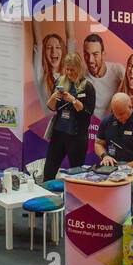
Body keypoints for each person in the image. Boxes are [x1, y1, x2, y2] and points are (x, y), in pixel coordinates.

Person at [42, 52, 96, 183]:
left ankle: (75, 201)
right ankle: (45, 197)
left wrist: (73, 100)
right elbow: (51, 107)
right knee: (48, 170)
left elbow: (87, 112)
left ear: (79, 69)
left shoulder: (87, 87)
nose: (69, 72)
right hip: (59, 133)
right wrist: (52, 98)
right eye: (67, 69)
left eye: (72, 69)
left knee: (76, 174)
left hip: (76, 137)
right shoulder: (60, 81)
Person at [94, 92, 133, 193]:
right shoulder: (107, 121)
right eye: (115, 113)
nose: (118, 117)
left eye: (121, 113)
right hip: (112, 173)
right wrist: (104, 156)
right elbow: (98, 144)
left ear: (130, 106)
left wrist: (129, 166)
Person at [83, 33, 124, 119]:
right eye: (87, 54)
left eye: (95, 54)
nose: (90, 60)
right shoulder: (81, 78)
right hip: (92, 128)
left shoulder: (117, 70)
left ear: (103, 54)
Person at [35, 33, 67, 109]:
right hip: (46, 119)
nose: (53, 51)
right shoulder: (41, 75)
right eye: (49, 48)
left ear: (63, 51)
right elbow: (38, 44)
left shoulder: (68, 73)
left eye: (58, 47)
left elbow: (71, 39)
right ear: (43, 52)